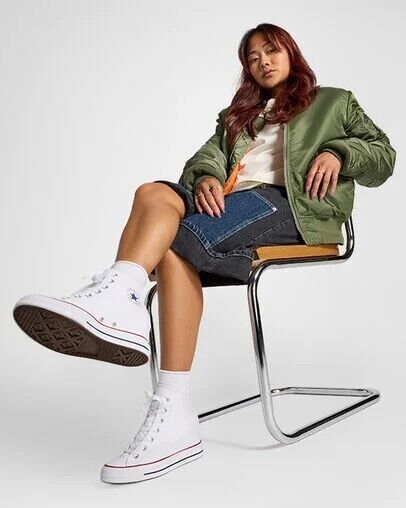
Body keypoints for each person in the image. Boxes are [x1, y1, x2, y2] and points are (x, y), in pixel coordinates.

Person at [12, 23, 396, 484]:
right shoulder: (237, 117)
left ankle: (158, 380)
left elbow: (384, 156)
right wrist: (208, 177)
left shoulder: (334, 102)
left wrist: (339, 152)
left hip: (291, 206)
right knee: (153, 194)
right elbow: (204, 158)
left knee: (179, 241)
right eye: (252, 57)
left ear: (291, 53)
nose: (263, 61)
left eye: (271, 51)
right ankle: (125, 301)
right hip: (232, 202)